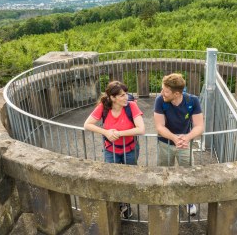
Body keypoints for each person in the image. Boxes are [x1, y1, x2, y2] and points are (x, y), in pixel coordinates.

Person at [84, 81, 145, 219]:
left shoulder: (131, 106)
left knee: (129, 178)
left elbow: (141, 129)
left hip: (130, 149)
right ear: (112, 98)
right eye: (122, 95)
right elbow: (87, 124)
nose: (126, 97)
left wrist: (117, 133)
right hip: (110, 150)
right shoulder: (104, 107)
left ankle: (126, 204)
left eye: (126, 94)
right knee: (112, 177)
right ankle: (118, 205)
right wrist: (105, 132)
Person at [153, 73, 204, 216]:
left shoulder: (192, 101)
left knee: (187, 172)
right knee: (164, 171)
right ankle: (164, 199)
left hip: (184, 143)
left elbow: (199, 126)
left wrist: (186, 138)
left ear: (176, 94)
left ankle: (188, 200)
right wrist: (175, 139)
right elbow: (159, 126)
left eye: (166, 91)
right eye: (162, 89)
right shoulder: (160, 100)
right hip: (165, 143)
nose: (162, 92)